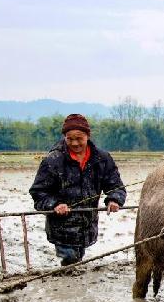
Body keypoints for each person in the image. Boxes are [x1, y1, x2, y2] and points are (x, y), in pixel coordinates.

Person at [29, 114, 126, 266]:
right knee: (70, 261)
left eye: (79, 138)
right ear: (64, 137)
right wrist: (55, 204)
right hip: (61, 229)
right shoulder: (53, 160)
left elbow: (116, 185)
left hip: (87, 226)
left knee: (77, 262)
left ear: (88, 136)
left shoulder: (102, 159)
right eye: (69, 138)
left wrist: (114, 199)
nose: (74, 143)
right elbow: (38, 193)